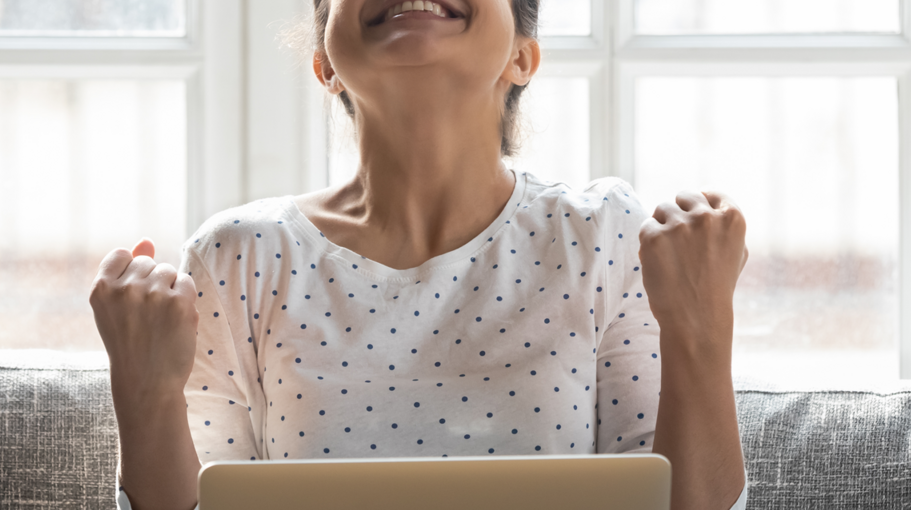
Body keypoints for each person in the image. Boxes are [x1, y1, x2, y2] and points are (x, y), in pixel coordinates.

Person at [89, 1, 750, 509]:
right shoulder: (237, 258)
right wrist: (143, 390)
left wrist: (702, 328)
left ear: (523, 56)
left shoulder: (605, 236)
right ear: (324, 62)